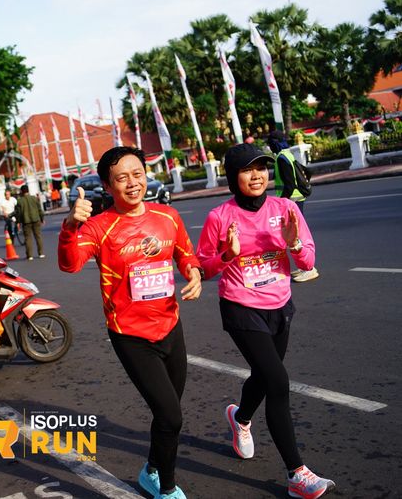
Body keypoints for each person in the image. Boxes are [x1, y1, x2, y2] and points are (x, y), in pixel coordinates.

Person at [58, 146, 202, 499]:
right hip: (131, 335)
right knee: (171, 416)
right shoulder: (99, 227)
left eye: (137, 174)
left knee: (168, 414)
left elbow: (185, 253)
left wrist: (194, 272)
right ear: (108, 186)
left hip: (171, 327)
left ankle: (151, 468)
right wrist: (70, 226)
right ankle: (166, 487)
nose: (133, 183)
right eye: (122, 178)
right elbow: (70, 264)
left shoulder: (168, 216)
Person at [195, 143, 335, 499]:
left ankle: (240, 418)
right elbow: (203, 268)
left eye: (261, 167)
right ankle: (297, 475)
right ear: (233, 177)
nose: (256, 175)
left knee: (263, 374)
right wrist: (227, 254)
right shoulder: (219, 217)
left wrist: (294, 244)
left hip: (280, 306)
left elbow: (308, 262)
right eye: (247, 169)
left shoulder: (285, 209)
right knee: (277, 381)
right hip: (240, 307)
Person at [267, 130, 319, 283]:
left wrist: (282, 202)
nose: (269, 146)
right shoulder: (287, 154)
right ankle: (304, 266)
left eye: (270, 143)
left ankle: (309, 268)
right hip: (295, 198)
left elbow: (289, 184)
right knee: (295, 232)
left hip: (291, 200)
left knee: (296, 233)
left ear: (275, 143)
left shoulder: (281, 158)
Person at [16, 185, 45, 260]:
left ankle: (30, 255)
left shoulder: (20, 201)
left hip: (26, 221)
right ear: (28, 190)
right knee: (38, 236)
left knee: (28, 238)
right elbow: (39, 209)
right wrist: (42, 218)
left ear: (22, 191)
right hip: (36, 219)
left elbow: (18, 213)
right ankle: (41, 253)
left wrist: (18, 222)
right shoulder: (34, 198)